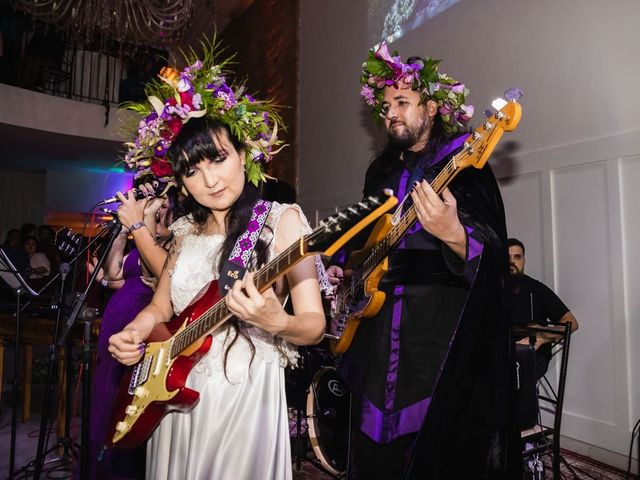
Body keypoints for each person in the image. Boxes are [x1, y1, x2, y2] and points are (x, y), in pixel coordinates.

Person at [108, 44, 327, 480]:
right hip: (172, 390)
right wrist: (134, 330)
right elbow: (161, 307)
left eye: (219, 159)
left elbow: (314, 324)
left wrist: (276, 321)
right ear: (181, 183)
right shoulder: (185, 232)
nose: (209, 180)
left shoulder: (281, 221)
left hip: (243, 394)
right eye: (191, 171)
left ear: (244, 156)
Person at [329, 42, 518, 478]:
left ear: (431, 108)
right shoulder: (378, 172)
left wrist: (454, 233)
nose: (390, 113)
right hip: (375, 329)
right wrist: (344, 263)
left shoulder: (464, 162)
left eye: (402, 102)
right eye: (385, 105)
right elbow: (362, 236)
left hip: (437, 331)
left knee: (435, 446)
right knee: (375, 447)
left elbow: (492, 250)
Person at [85, 183, 183, 479]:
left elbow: (161, 280)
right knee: (105, 399)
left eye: (165, 203)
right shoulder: (140, 239)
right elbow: (114, 271)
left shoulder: (172, 243)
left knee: (127, 403)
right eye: (157, 203)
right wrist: (120, 230)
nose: (159, 206)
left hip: (145, 326)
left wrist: (143, 221)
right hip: (117, 326)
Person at [508, 237, 579, 379]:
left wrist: (540, 337)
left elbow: (571, 323)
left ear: (524, 261)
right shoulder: (491, 288)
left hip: (531, 355)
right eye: (507, 257)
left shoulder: (537, 289)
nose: (512, 262)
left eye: (517, 257)